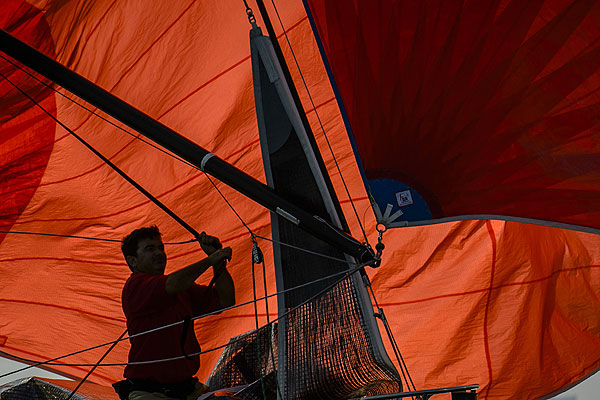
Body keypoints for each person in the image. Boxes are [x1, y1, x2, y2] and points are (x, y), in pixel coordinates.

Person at [113, 226, 234, 400]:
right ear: (133, 261)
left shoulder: (181, 289)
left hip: (187, 390)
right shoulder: (136, 286)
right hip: (150, 393)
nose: (159, 253)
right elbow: (172, 284)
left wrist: (217, 262)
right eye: (150, 249)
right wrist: (210, 260)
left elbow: (226, 300)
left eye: (161, 247)